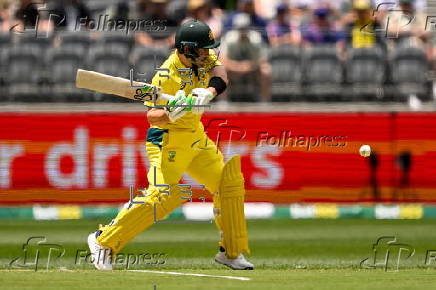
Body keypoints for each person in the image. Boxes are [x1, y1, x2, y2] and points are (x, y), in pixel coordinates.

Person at [87, 19, 254, 271]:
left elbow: (221, 75)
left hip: (196, 137)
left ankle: (230, 253)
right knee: (163, 194)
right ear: (187, 49)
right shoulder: (166, 75)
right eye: (204, 48)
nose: (209, 53)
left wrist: (208, 92)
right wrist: (170, 113)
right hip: (167, 139)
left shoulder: (204, 59)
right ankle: (104, 241)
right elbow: (151, 116)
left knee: (228, 184)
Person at [221, 13, 271, 101]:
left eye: (245, 28)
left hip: (253, 68)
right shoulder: (228, 38)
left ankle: (264, 101)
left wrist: (248, 66)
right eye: (240, 28)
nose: (243, 31)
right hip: (233, 69)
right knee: (221, 70)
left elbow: (262, 59)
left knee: (266, 70)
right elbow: (223, 59)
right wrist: (238, 66)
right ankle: (223, 100)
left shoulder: (256, 38)